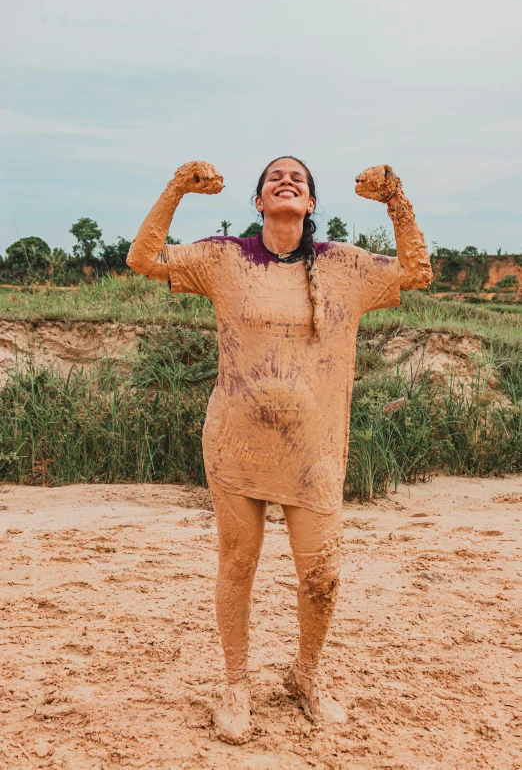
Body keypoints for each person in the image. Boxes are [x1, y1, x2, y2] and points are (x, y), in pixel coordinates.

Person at [127, 157, 432, 744]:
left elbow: (418, 272)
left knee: (322, 573)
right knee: (237, 565)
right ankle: (236, 684)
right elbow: (143, 259)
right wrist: (176, 189)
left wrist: (397, 199)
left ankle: (306, 675)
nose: (287, 181)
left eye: (299, 179)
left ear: (312, 204)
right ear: (259, 202)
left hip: (315, 450)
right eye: (274, 178)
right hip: (237, 445)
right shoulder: (224, 257)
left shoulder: (344, 266)